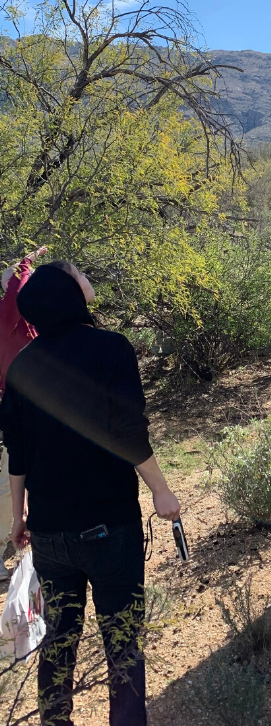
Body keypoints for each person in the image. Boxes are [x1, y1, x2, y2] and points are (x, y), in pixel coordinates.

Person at [0, 261, 182, 726]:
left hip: (49, 535)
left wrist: (18, 517)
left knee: (57, 642)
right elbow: (128, 430)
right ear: (72, 298)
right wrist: (161, 491)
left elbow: (16, 454)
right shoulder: (110, 349)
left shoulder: (21, 368)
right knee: (123, 643)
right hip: (108, 528)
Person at [0, 247, 49, 397]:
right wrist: (26, 262)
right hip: (20, 396)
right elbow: (16, 293)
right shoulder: (4, 314)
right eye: (30, 279)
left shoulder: (35, 316)